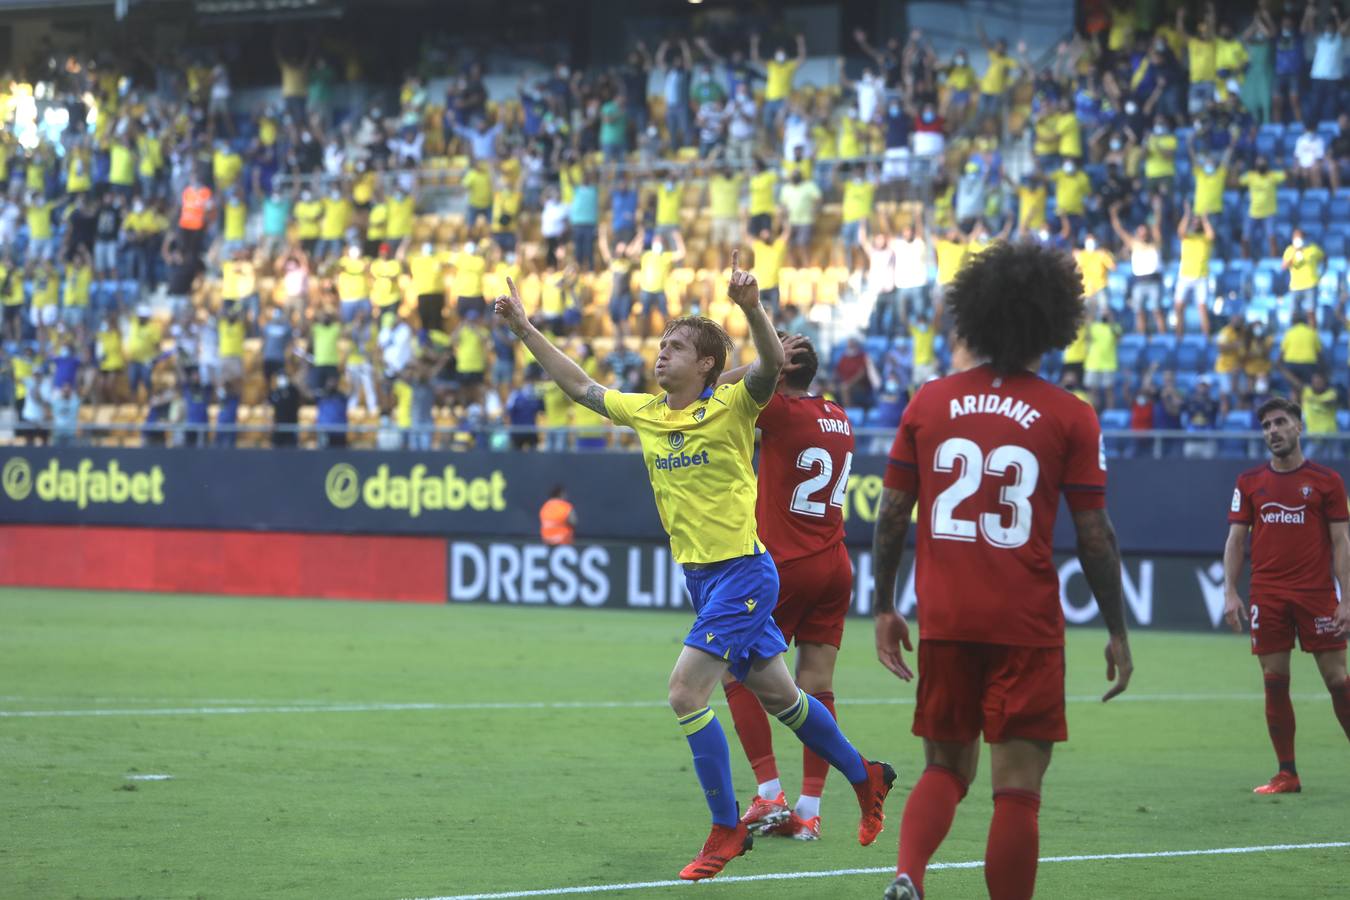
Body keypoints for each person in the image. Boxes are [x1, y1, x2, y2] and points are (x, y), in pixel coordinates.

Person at [493, 253, 895, 882]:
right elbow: (577, 386)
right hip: (703, 577)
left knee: (685, 691)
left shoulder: (734, 405)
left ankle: (727, 827)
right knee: (783, 696)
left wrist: (751, 306)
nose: (662, 354)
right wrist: (524, 329)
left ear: (705, 363)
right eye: (661, 345)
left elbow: (767, 364)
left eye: (676, 347)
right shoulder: (647, 413)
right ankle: (864, 775)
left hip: (744, 571)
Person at [871, 241, 1133, 900]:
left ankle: (908, 873)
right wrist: (1118, 630)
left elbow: (892, 516)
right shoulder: (1071, 413)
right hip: (1025, 624)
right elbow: (1095, 537)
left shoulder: (929, 401)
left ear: (977, 315)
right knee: (1017, 793)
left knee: (945, 769)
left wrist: (883, 605)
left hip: (947, 618)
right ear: (1054, 321)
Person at [713, 332, 858, 842]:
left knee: (737, 674)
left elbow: (712, 391)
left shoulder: (776, 411)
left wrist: (760, 365)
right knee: (818, 684)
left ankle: (770, 793)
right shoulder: (839, 415)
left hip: (785, 563)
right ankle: (809, 811)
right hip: (836, 563)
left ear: (780, 371)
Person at [1223, 396, 1350, 795]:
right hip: (1268, 595)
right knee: (1274, 681)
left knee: (1337, 680)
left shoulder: (1328, 481)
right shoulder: (1249, 483)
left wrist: (1346, 598)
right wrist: (1230, 590)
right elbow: (1236, 540)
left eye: (1280, 422)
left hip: (1316, 595)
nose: (1272, 431)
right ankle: (1287, 774)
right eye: (1266, 426)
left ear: (1299, 426)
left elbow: (1342, 540)